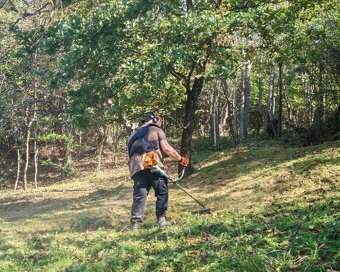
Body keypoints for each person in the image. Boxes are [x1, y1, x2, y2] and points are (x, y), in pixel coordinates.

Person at [127, 112, 189, 229]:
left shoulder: (132, 134)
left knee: (140, 195)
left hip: (136, 168)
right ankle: (161, 220)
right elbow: (166, 148)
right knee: (162, 192)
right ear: (155, 120)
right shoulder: (156, 129)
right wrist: (181, 159)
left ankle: (135, 223)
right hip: (153, 165)